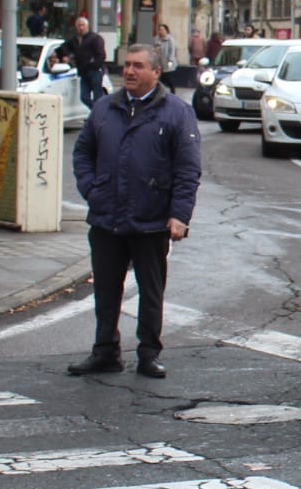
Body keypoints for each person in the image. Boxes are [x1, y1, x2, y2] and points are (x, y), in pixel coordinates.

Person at [68, 43, 202, 379]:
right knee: (106, 289)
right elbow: (83, 152)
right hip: (107, 217)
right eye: (126, 65)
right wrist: (92, 190)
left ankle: (148, 354)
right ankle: (105, 352)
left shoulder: (176, 112)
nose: (129, 71)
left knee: (150, 291)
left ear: (156, 72)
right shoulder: (104, 108)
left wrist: (179, 215)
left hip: (152, 220)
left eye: (138, 66)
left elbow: (188, 170)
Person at [58, 14, 108, 105]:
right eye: (79, 26)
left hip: (95, 71)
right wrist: (66, 56)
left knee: (97, 96)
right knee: (84, 97)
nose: (81, 28)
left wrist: (93, 64)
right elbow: (63, 47)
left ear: (87, 26)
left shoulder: (95, 38)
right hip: (83, 71)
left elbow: (101, 55)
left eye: (83, 25)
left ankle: (98, 115)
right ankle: (97, 113)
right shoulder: (75, 40)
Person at [154, 20, 180, 93]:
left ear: (166, 30)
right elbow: (154, 49)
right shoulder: (157, 39)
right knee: (160, 77)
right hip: (159, 62)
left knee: (167, 77)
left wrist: (170, 61)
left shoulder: (170, 39)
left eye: (162, 30)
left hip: (167, 62)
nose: (160, 31)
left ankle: (172, 90)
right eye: (159, 30)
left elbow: (172, 51)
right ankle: (159, 91)